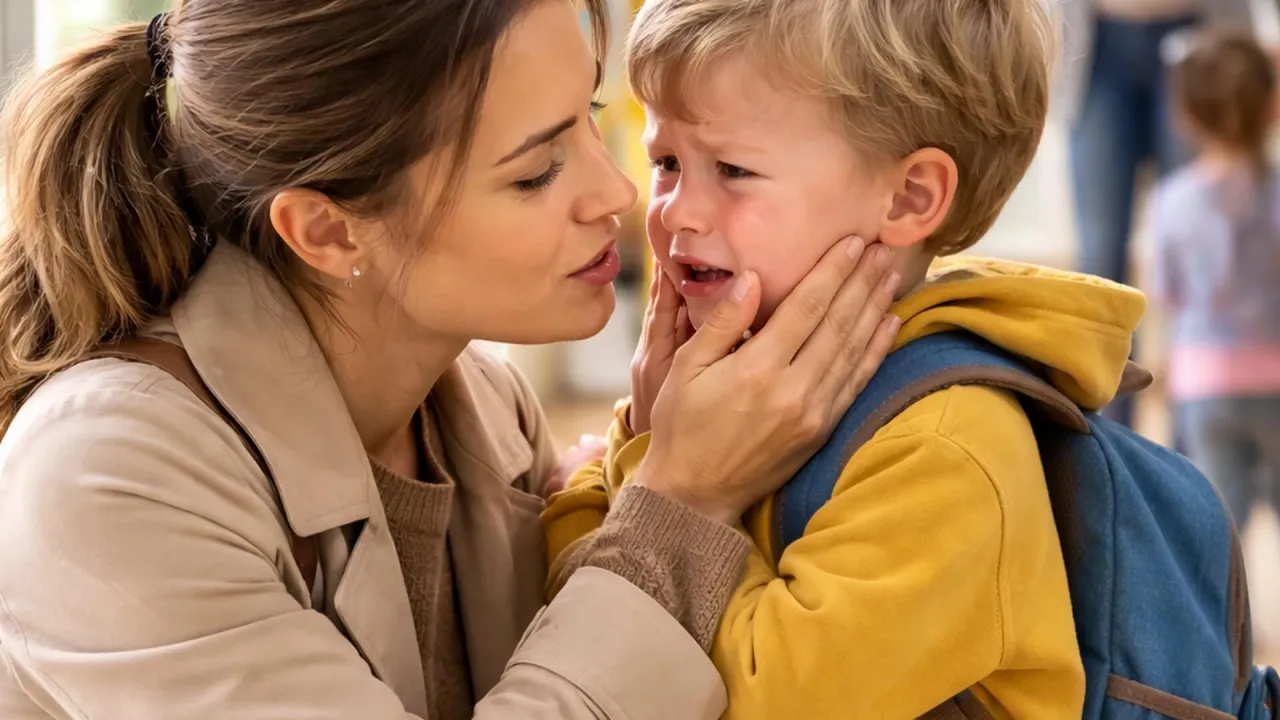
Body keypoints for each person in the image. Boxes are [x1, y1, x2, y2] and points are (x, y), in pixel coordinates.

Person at [0, 1, 900, 718]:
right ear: (326, 229)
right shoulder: (109, 478)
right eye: (536, 172)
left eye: (588, 118)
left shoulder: (485, 412)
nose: (617, 193)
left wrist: (637, 467)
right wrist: (683, 500)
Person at [542, 0, 1151, 717]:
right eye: (667, 162)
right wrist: (652, 441)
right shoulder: (732, 386)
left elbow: (717, 700)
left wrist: (622, 481)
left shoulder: (946, 448)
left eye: (732, 169)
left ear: (910, 196)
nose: (676, 210)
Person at [1055, 0, 1259, 428]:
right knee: (1101, 260)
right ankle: (1106, 438)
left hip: (1201, 29)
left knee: (1207, 247)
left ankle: (1197, 433)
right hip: (1094, 43)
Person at [1152, 29, 1280, 534]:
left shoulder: (1171, 201)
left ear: (1184, 115)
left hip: (1204, 381)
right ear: (1273, 105)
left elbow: (1167, 292)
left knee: (1220, 527)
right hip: (1275, 378)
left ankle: (1229, 616)